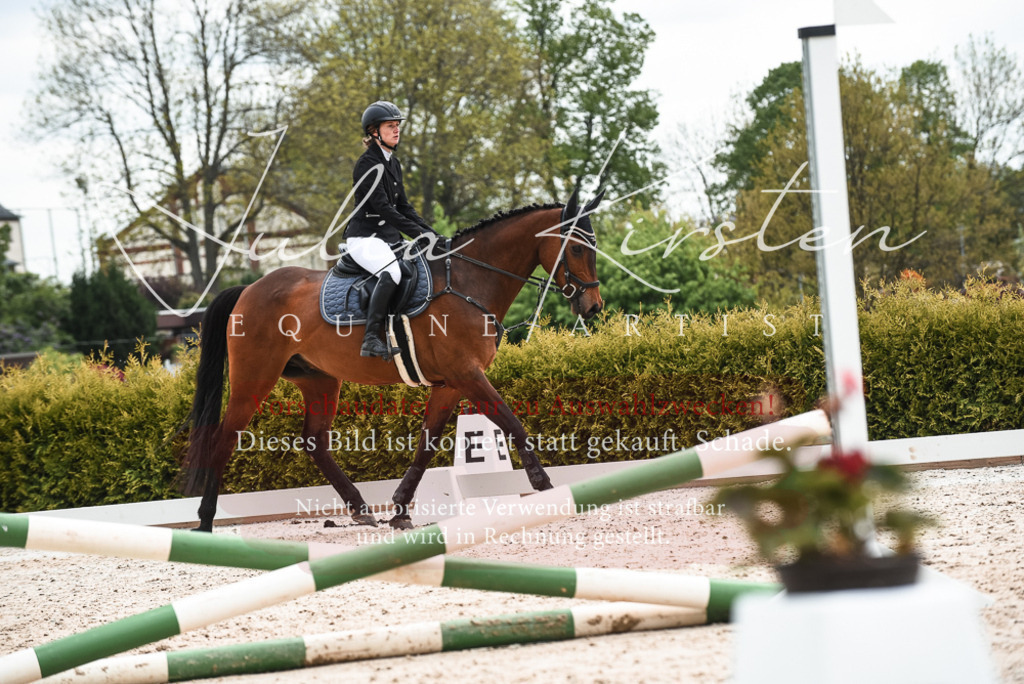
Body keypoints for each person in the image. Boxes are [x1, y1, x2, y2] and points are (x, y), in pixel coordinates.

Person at [345, 100, 437, 359]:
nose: (397, 131)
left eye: (397, 126)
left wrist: (431, 233)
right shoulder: (367, 165)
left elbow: (404, 207)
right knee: (392, 272)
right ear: (374, 131)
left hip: (387, 238)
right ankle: (371, 338)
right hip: (364, 237)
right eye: (390, 126)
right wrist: (419, 234)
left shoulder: (393, 163)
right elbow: (385, 210)